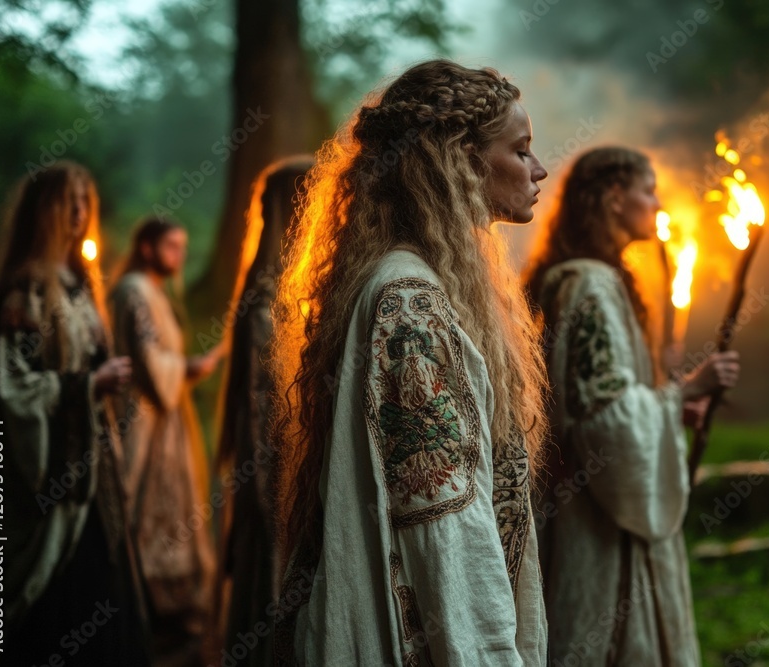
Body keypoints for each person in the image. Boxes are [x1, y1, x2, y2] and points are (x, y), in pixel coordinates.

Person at [269, 59, 550, 666]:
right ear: (461, 160)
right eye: (520, 149)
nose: (539, 169)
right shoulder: (408, 302)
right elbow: (442, 524)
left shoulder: (428, 285)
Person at [524, 147, 740, 666]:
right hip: (597, 518)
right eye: (649, 190)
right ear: (614, 198)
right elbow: (602, 418)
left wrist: (670, 411)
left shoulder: (589, 279)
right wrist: (684, 392)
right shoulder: (590, 285)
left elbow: (595, 396)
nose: (657, 202)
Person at [0, 161, 149, 666]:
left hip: (94, 470)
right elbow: (14, 390)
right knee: (58, 598)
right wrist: (89, 384)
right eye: (67, 201)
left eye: (85, 201)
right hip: (53, 478)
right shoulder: (28, 289)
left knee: (105, 590)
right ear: (44, 210)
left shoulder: (78, 286)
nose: (79, 212)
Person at [213, 154, 315, 667]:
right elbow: (260, 405)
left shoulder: (296, 287)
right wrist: (271, 488)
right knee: (271, 589)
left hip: (293, 468)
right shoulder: (269, 298)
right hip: (276, 473)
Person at [108, 217, 221, 660]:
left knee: (170, 507)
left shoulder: (150, 290)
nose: (180, 256)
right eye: (172, 247)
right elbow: (149, 358)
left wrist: (184, 368)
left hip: (164, 419)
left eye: (183, 247)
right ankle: (139, 611)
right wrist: (186, 369)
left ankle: (167, 614)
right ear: (148, 247)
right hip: (140, 419)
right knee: (139, 504)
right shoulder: (134, 289)